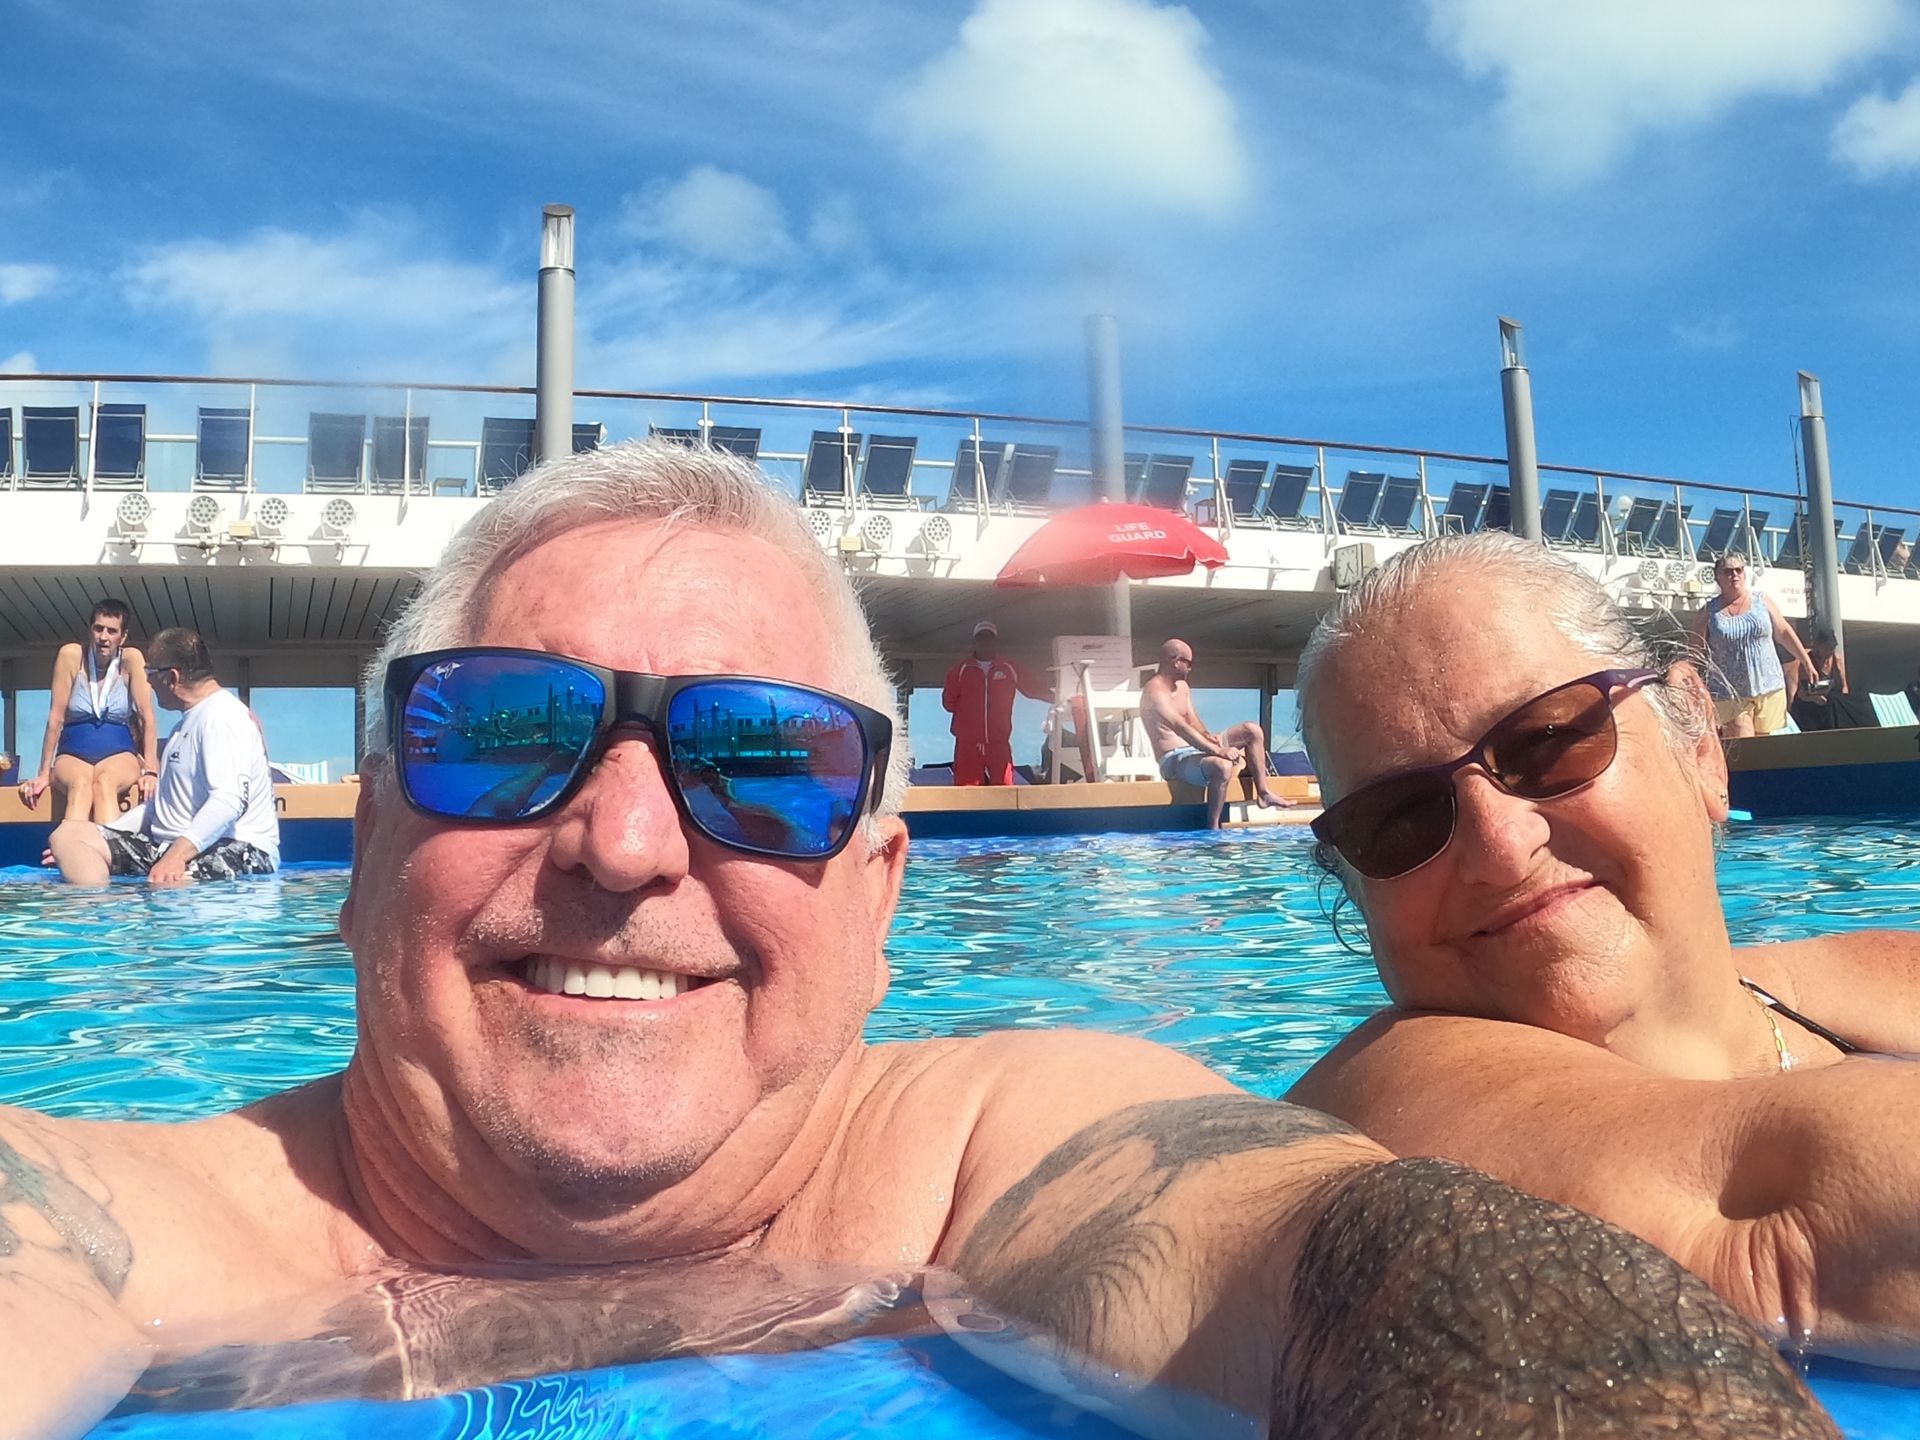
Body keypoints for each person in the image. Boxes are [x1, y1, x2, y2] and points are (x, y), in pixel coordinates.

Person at [0, 446, 1837, 1439]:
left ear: (882, 906)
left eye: (763, 766)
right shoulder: (121, 1218)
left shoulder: (984, 1158)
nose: (626, 842)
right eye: (500, 731)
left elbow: (1348, 1267)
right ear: (365, 837)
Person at [1287, 530, 1920, 1365]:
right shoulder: (1385, 1098)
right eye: (1397, 818)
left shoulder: (1836, 982)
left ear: (1698, 746)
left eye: (1548, 740)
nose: (1500, 848)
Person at [43, 627, 279, 886]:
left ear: (172, 677)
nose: (147, 682)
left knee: (165, 882)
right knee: (69, 837)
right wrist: (99, 836)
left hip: (237, 848)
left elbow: (229, 801)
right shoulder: (182, 727)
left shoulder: (222, 718)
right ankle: (102, 914)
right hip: (172, 846)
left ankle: (127, 912)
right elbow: (158, 808)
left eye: (150, 673)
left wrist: (176, 855)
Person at [18, 600, 159, 823]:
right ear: (90, 629)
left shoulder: (131, 659)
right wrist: (43, 773)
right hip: (72, 755)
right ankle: (73, 853)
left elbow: (147, 717)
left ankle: (110, 853)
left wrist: (151, 772)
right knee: (81, 786)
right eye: (98, 628)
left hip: (119, 755)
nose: (103, 637)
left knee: (104, 783)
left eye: (112, 631)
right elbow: (56, 717)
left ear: (122, 637)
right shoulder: (71, 655)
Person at [1141, 638, 1291, 826]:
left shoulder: (1183, 688)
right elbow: (1180, 726)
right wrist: (1217, 750)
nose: (1190, 668)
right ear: (1175, 661)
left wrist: (1207, 735)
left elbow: (1193, 721)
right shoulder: (1154, 692)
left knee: (1252, 731)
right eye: (1188, 663)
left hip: (1197, 749)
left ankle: (1264, 793)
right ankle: (1213, 828)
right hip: (1174, 759)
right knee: (1222, 766)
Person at [1688, 551, 1813, 737]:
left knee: (1763, 748)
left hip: (1768, 687)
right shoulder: (1708, 612)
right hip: (1729, 693)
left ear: (1745, 574)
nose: (1735, 575)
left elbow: (1784, 633)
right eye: (1728, 571)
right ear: (1718, 578)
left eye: (1739, 570)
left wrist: (1806, 662)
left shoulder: (1762, 601)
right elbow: (1695, 652)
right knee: (1745, 743)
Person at [939, 620, 1049, 785]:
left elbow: (1033, 688)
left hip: (999, 742)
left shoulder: (1009, 668)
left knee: (1004, 791)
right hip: (968, 745)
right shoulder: (960, 670)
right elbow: (948, 702)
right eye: (981, 638)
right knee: (966, 791)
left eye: (989, 638)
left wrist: (1058, 697)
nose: (985, 642)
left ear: (995, 642)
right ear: (974, 642)